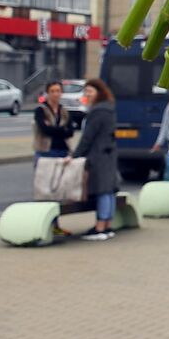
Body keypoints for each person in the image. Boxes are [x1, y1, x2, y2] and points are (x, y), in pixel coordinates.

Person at [71, 77, 119, 241]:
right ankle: (107, 225)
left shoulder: (97, 112)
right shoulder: (109, 109)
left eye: (90, 91)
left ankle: (99, 227)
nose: (87, 94)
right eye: (86, 92)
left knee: (102, 190)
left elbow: (88, 137)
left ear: (99, 92)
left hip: (98, 155)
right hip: (109, 153)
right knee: (110, 190)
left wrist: (75, 155)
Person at [33, 80, 74, 165]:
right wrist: (62, 129)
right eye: (52, 91)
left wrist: (55, 129)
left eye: (58, 91)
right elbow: (45, 130)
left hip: (63, 150)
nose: (55, 94)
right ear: (47, 93)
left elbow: (70, 132)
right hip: (46, 150)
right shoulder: (41, 110)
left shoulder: (64, 111)